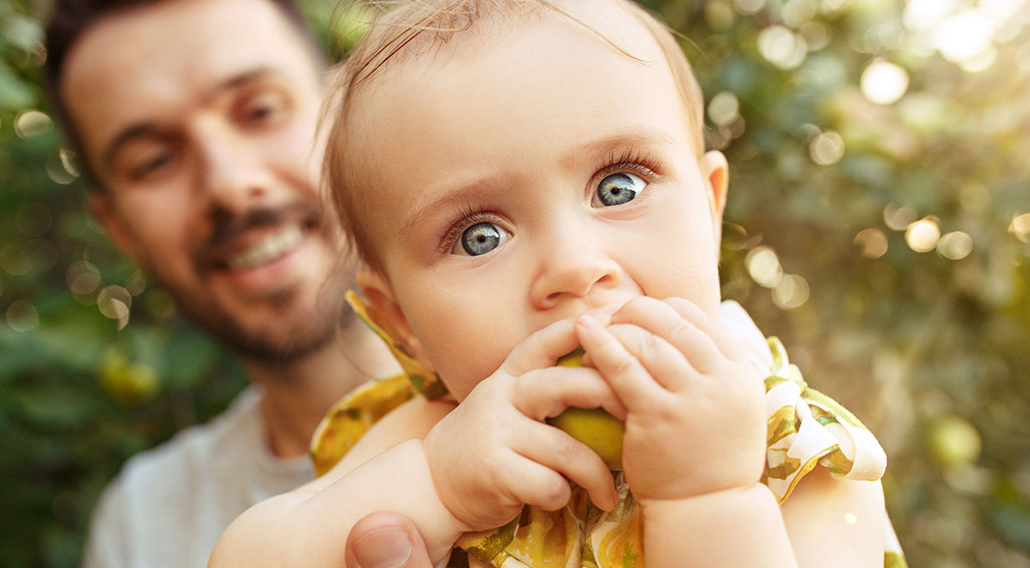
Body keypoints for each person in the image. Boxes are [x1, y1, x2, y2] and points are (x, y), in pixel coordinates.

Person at [210, 0, 908, 566]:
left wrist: (708, 497)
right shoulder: (436, 437)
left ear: (710, 206)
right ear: (402, 327)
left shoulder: (786, 446)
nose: (574, 266)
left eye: (619, 185)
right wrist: (438, 486)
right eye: (479, 235)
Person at [41, 1, 405, 566]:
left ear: (345, 107)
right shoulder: (142, 523)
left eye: (259, 110)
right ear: (119, 229)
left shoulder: (570, 375)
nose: (229, 185)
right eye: (155, 160)